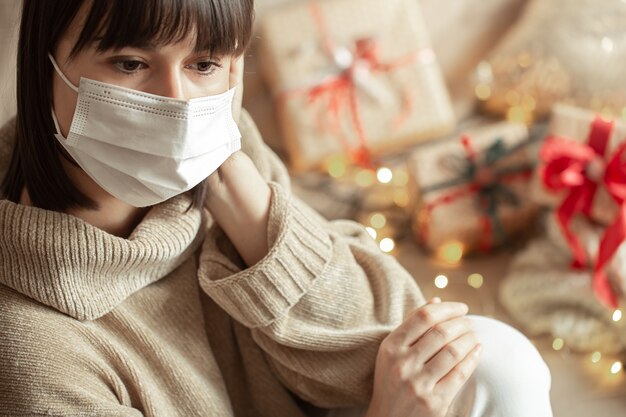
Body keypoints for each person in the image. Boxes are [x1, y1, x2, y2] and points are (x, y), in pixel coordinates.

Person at [0, 1, 554, 416]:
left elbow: (382, 335)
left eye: (204, 63)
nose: (177, 101)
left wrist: (252, 210)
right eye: (128, 63)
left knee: (496, 360)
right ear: (44, 66)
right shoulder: (33, 353)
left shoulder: (218, 145)